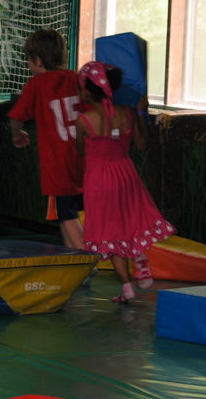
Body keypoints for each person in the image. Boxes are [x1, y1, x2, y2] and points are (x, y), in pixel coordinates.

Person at [75, 61, 176, 303]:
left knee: (110, 233)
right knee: (130, 221)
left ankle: (127, 285)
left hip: (99, 180)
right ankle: (138, 256)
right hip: (126, 175)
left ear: (87, 91)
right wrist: (141, 113)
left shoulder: (84, 120)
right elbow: (141, 145)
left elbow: (80, 150)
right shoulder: (128, 113)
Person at [7, 29, 85, 250]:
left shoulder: (37, 84)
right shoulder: (76, 78)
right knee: (69, 210)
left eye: (28, 60)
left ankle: (87, 256)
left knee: (66, 214)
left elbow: (16, 117)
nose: (28, 65)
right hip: (83, 158)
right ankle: (73, 256)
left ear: (38, 60)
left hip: (57, 164)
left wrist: (17, 134)